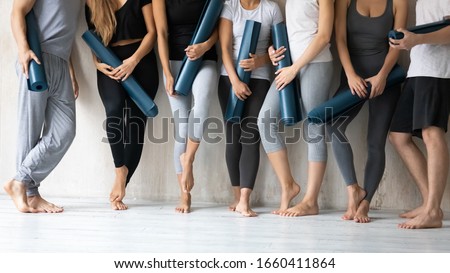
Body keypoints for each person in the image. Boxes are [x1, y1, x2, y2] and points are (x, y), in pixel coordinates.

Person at [330, 0, 407, 222]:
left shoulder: (399, 2)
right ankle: (353, 188)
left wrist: (383, 75)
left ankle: (365, 204)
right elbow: (340, 40)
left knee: (375, 142)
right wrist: (351, 75)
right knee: (332, 124)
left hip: (386, 79)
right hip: (353, 79)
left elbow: (397, 44)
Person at [258, 0, 335, 216]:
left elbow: (324, 36)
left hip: (317, 63)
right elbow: (291, 32)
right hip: (289, 65)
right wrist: (273, 50)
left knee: (314, 128)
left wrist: (295, 68)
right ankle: (288, 185)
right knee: (265, 120)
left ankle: (311, 201)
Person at [4, 0, 81, 213]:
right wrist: (23, 50)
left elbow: (66, 33)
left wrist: (71, 73)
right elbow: (17, 11)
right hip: (37, 59)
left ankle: (21, 182)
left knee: (65, 131)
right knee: (29, 130)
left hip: (61, 63)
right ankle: (29, 194)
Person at [85, 0, 159, 210]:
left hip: (141, 61)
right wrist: (96, 63)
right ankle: (120, 170)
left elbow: (152, 32)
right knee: (114, 110)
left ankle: (120, 187)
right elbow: (92, 35)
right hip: (109, 63)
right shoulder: (92, 2)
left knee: (136, 123)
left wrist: (133, 61)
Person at [388, 0, 450, 229]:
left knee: (432, 134)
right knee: (398, 135)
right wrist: (408, 39)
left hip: (438, 71)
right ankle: (429, 203)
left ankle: (433, 211)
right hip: (419, 68)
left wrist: (418, 39)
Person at [218, 0, 283, 217]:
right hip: (229, 78)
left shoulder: (271, 9)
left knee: (251, 135)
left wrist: (261, 61)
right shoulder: (230, 6)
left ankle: (245, 200)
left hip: (260, 79)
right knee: (233, 136)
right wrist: (235, 81)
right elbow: (225, 48)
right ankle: (237, 197)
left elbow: (281, 49)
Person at [153, 0, 219, 213]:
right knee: (182, 129)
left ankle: (188, 159)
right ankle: (185, 196)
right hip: (173, 62)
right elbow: (161, 34)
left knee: (201, 106)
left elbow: (219, 24)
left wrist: (205, 46)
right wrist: (167, 72)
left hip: (205, 58)